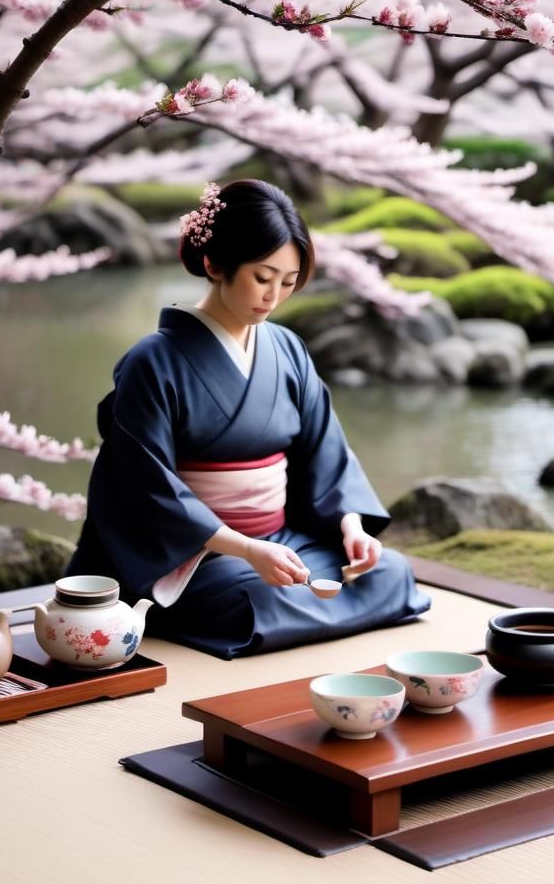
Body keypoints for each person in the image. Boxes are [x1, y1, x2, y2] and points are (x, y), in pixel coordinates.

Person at [67, 179, 430, 658]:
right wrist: (244, 549)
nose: (274, 296)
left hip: (280, 540)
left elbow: (325, 453)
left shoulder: (288, 349)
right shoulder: (152, 361)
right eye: (263, 278)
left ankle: (294, 594)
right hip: (199, 554)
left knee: (389, 572)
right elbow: (143, 486)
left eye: (289, 281)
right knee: (254, 599)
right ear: (215, 264)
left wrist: (351, 528)